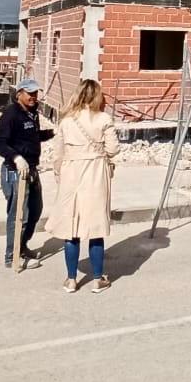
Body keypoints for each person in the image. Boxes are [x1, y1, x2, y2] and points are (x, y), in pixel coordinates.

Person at [46, 78, 120, 293]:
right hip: (95, 173)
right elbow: (113, 149)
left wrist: (59, 174)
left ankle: (71, 280)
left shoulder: (66, 120)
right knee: (95, 227)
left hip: (71, 173)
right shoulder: (103, 118)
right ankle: (97, 279)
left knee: (71, 228)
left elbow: (58, 153)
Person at [0, 77, 54, 270]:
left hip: (32, 169)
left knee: (35, 210)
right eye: (30, 93)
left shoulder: (32, 113)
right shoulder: (11, 114)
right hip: (15, 172)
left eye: (35, 93)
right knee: (20, 215)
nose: (33, 97)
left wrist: (52, 133)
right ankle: (12, 256)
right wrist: (16, 157)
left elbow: (33, 136)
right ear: (19, 94)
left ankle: (22, 246)